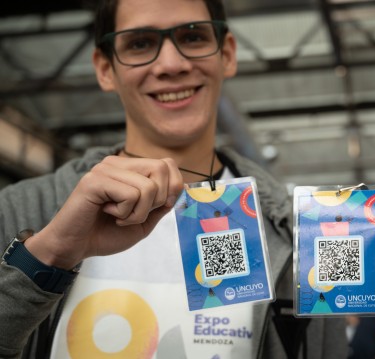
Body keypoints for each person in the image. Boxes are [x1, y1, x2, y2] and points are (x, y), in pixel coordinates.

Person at [0, 0, 347, 358]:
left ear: (226, 53)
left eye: (193, 36)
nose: (171, 64)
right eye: (139, 44)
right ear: (105, 69)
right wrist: (49, 256)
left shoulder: (299, 233)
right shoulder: (18, 212)